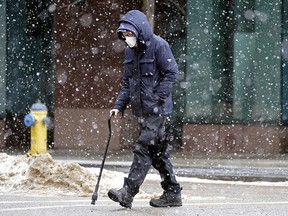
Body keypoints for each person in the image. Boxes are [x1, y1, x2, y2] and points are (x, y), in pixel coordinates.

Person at [108, 9, 182, 208]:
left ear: (139, 30)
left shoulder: (159, 45)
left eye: (129, 34)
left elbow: (171, 73)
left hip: (158, 111)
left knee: (143, 148)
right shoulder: (129, 51)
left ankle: (128, 193)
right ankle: (173, 192)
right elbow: (127, 83)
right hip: (142, 112)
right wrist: (118, 107)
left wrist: (157, 98)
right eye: (124, 35)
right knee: (158, 153)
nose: (127, 38)